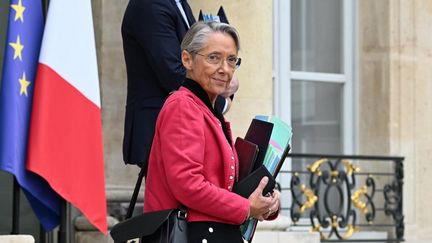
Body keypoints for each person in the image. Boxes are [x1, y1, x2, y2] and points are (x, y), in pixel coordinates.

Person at [144, 21, 280, 243]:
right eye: (214, 57)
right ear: (187, 59)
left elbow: (227, 186)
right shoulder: (183, 106)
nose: (225, 69)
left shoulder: (209, 111)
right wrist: (246, 207)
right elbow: (188, 185)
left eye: (231, 60)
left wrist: (265, 201)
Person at [121, 0, 238, 175]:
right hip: (162, 126)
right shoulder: (150, 4)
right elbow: (173, 73)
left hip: (184, 123)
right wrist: (222, 101)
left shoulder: (178, 3)